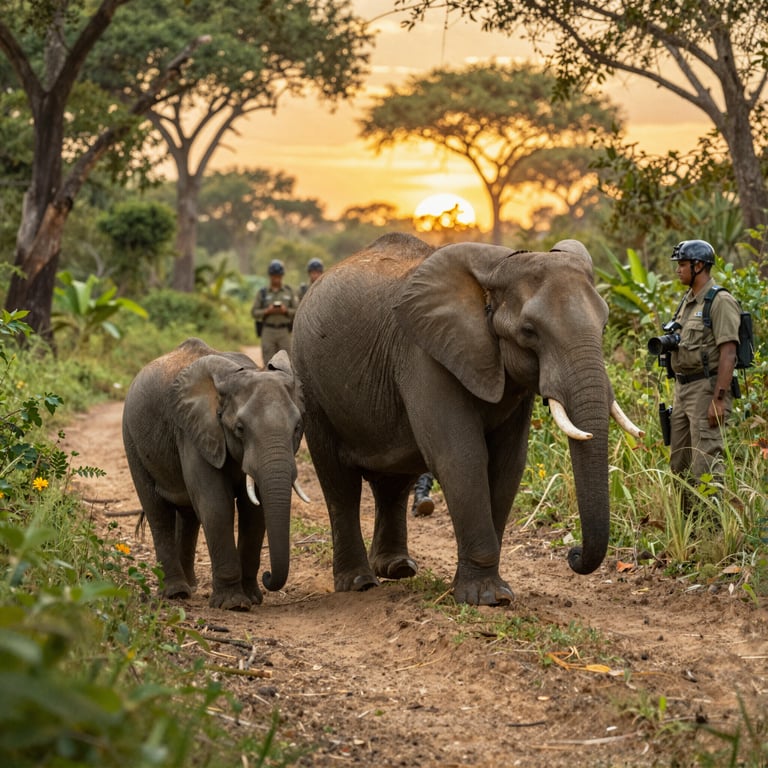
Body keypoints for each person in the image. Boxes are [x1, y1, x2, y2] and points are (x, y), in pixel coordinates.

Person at [664, 239, 740, 498]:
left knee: (705, 465)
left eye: (682, 265)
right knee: (679, 464)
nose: (678, 270)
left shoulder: (720, 301)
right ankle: (688, 529)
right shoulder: (687, 301)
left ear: (698, 266)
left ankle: (712, 530)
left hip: (706, 389)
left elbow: (728, 351)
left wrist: (718, 399)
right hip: (682, 389)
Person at [251, 259, 298, 364]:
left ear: (282, 276)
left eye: (278, 276)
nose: (276, 278)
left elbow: (297, 311)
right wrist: (267, 311)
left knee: (287, 363)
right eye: (274, 276)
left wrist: (286, 311)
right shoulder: (263, 293)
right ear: (270, 276)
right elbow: (254, 312)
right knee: (268, 363)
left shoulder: (289, 292)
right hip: (268, 331)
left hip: (284, 331)